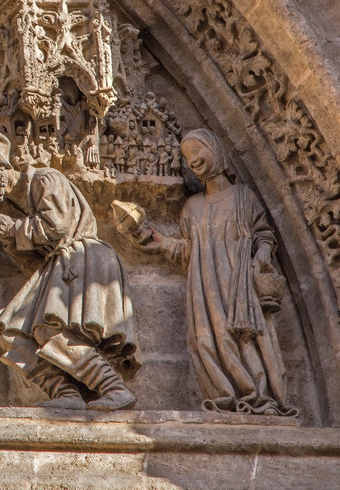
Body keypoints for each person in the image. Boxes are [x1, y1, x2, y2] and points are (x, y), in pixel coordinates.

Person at [120, 128, 297, 416]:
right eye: (187, 156)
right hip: (205, 288)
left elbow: (263, 233)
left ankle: (260, 397)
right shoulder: (192, 208)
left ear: (216, 149)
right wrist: (159, 242)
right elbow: (190, 251)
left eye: (198, 150)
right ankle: (225, 395)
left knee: (246, 337)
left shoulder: (243, 196)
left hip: (239, 283)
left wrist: (263, 251)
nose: (193, 159)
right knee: (206, 340)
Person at [0, 127, 139, 411]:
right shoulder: (18, 203)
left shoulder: (46, 178)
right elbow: (35, 252)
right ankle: (66, 393)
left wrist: (11, 229)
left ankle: (114, 388)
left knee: (49, 330)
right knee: (11, 337)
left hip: (82, 257)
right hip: (60, 263)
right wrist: (7, 235)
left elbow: (56, 226)